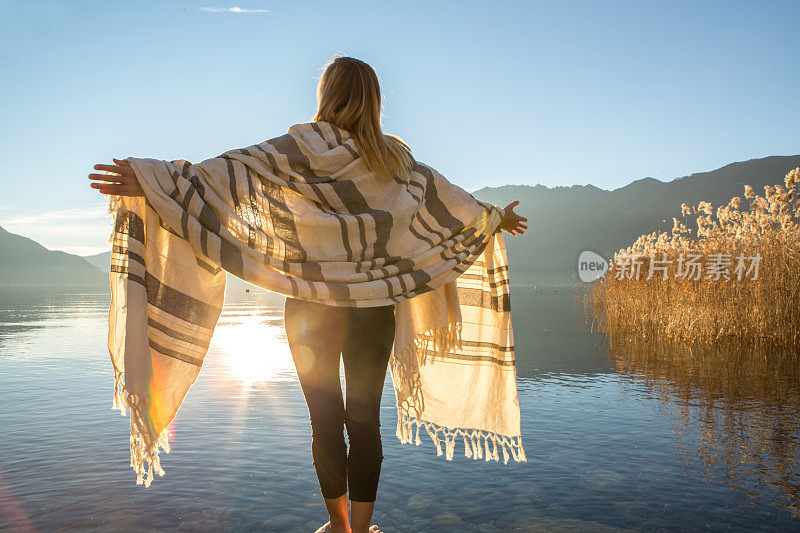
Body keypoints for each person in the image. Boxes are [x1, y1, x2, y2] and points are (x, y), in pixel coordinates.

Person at [89, 56, 527, 533]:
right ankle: (361, 530)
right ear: (374, 101)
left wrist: (155, 181)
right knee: (364, 424)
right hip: (373, 308)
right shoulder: (396, 160)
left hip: (310, 310)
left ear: (327, 94)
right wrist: (494, 217)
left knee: (324, 420)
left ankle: (337, 527)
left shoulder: (302, 146)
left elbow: (225, 175)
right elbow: (446, 205)